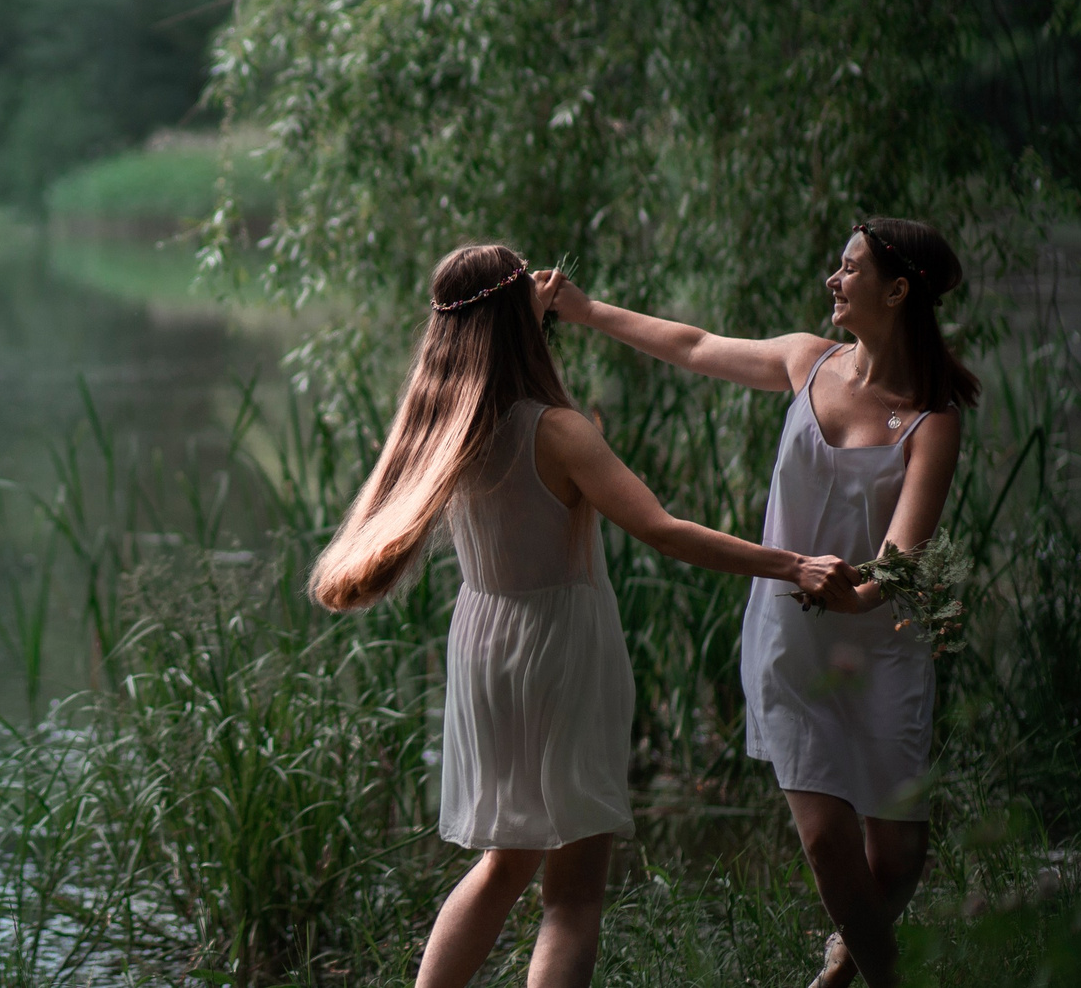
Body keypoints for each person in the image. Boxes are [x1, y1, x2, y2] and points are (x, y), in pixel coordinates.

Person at [311, 244, 856, 988]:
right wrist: (791, 563)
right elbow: (661, 530)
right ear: (518, 323)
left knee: (504, 863)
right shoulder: (557, 431)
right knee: (571, 893)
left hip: (484, 646)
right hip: (559, 650)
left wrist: (529, 308)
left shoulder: (444, 430)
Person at [543, 217, 975, 988]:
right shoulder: (808, 362)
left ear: (898, 289)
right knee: (826, 844)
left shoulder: (932, 420)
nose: (833, 282)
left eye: (849, 269)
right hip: (788, 637)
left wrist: (860, 594)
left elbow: (903, 556)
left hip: (877, 645)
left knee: (899, 859)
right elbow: (694, 345)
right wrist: (586, 310)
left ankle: (842, 963)